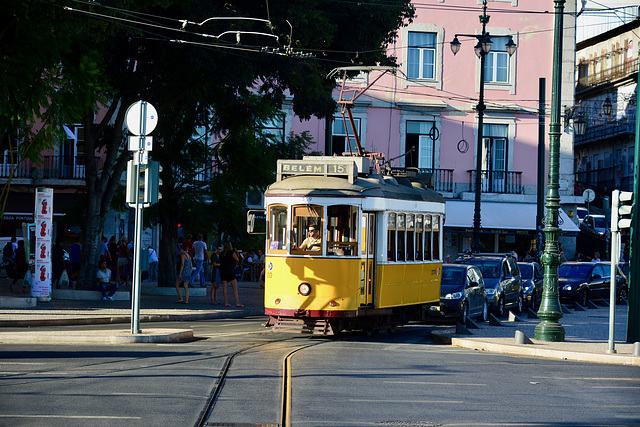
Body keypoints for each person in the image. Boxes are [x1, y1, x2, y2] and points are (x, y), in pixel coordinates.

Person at [220, 241, 243, 307]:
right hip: (230, 271)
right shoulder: (232, 253)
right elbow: (238, 260)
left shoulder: (222, 253)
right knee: (235, 287)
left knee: (225, 287)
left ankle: (226, 302)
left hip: (223, 271)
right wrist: (235, 265)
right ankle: (237, 302)